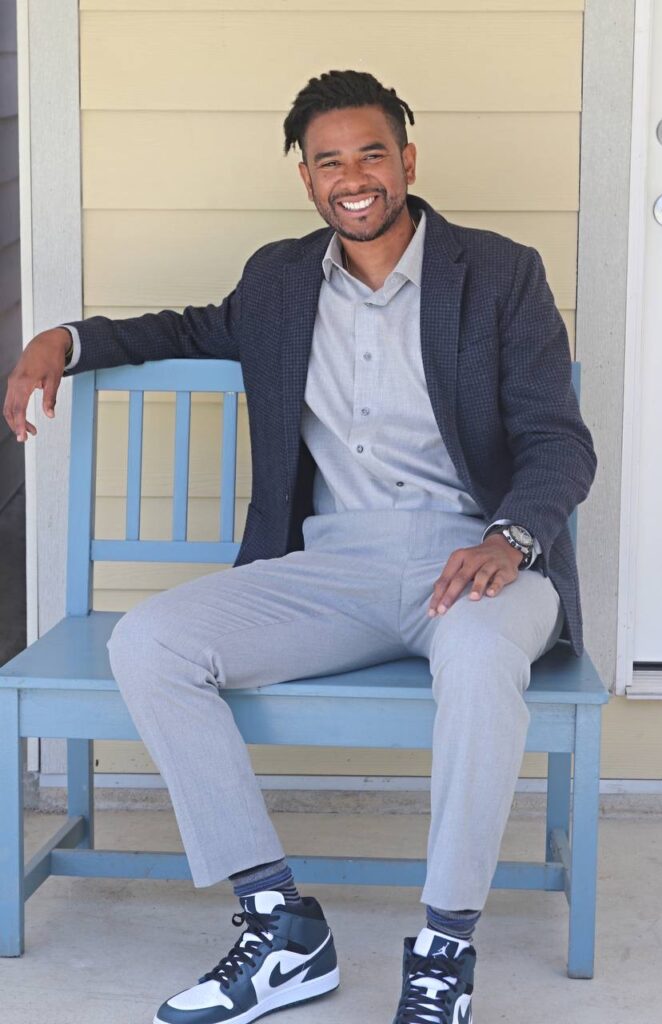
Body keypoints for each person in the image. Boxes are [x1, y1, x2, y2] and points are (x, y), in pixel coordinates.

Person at [4, 69, 597, 1024]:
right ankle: (280, 925)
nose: (353, 178)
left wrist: (511, 536)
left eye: (372, 154)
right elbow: (183, 328)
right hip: (334, 570)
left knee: (484, 658)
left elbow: (558, 440)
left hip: (477, 561)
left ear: (408, 160)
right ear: (307, 178)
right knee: (150, 642)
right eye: (330, 162)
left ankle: (445, 946)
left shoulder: (498, 272)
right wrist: (62, 342)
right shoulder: (279, 281)